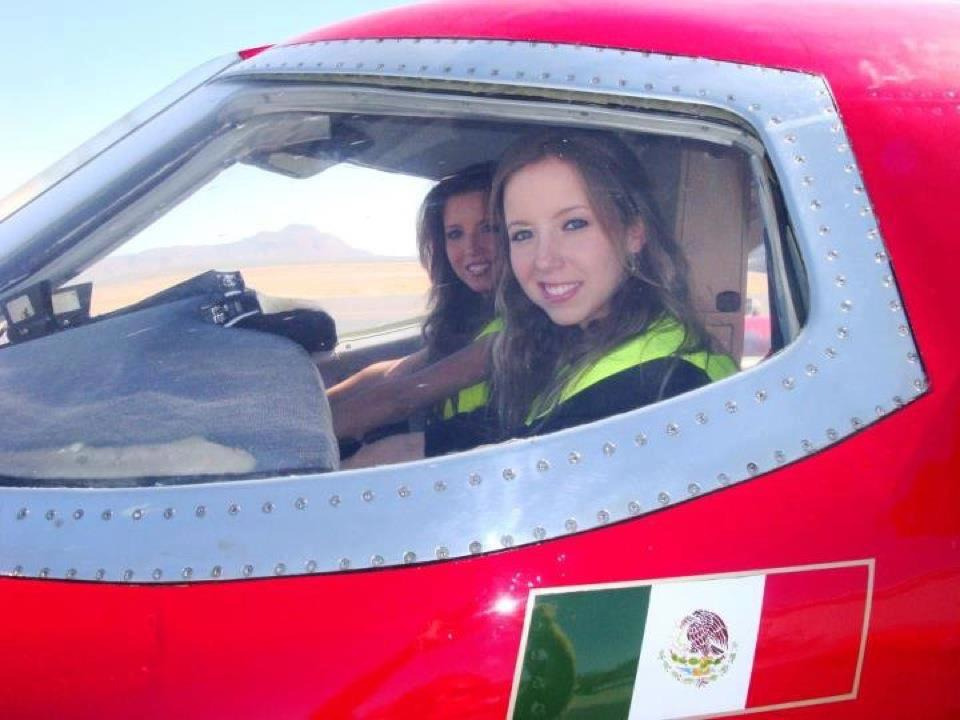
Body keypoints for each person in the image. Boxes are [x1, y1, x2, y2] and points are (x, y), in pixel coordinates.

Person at [485, 130, 737, 440]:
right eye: (523, 234)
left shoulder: (655, 383)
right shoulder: (581, 337)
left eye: (574, 224)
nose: (543, 260)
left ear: (634, 232)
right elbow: (495, 429)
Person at [329, 164, 498, 450]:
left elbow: (402, 397)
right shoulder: (476, 315)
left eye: (489, 228)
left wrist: (298, 441)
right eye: (455, 234)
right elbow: (391, 372)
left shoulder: (522, 326)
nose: (471, 248)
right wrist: (308, 411)